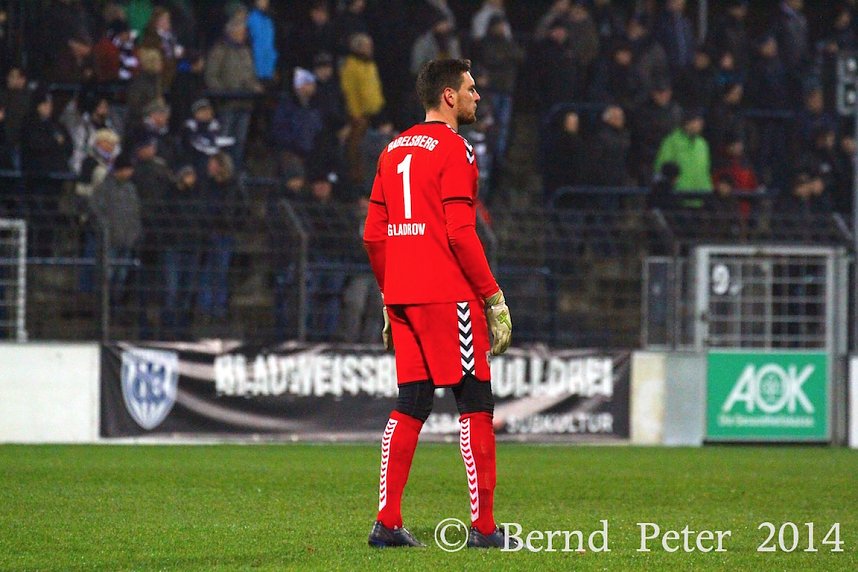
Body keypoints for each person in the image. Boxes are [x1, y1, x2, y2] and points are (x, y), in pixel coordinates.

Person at [363, 58, 514, 549]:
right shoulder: (456, 148)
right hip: (449, 296)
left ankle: (386, 522)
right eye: (470, 89)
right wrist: (492, 295)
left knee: (413, 401)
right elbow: (461, 233)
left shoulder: (392, 148)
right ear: (448, 96)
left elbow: (373, 235)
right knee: (475, 403)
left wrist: (389, 299)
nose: (476, 97)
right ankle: (485, 528)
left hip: (403, 296)